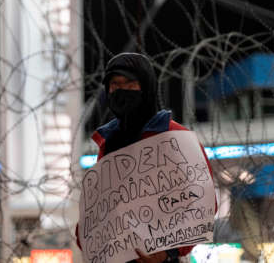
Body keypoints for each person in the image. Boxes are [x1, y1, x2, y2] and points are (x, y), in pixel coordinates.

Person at [76, 52, 215, 263]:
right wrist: (87, 237)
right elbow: (101, 208)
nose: (122, 91)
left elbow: (204, 201)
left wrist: (170, 252)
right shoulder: (108, 142)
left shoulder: (175, 137)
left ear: (147, 87)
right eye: (115, 85)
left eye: (130, 84)